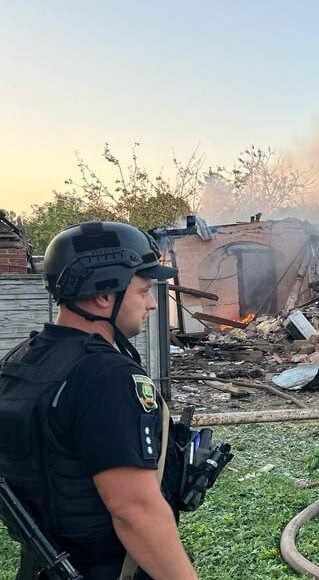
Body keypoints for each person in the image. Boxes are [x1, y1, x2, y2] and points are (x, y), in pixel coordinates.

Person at [0, 222, 197, 579]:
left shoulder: (21, 358)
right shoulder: (106, 376)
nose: (152, 303)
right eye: (143, 290)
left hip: (43, 565)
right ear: (103, 295)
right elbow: (135, 512)